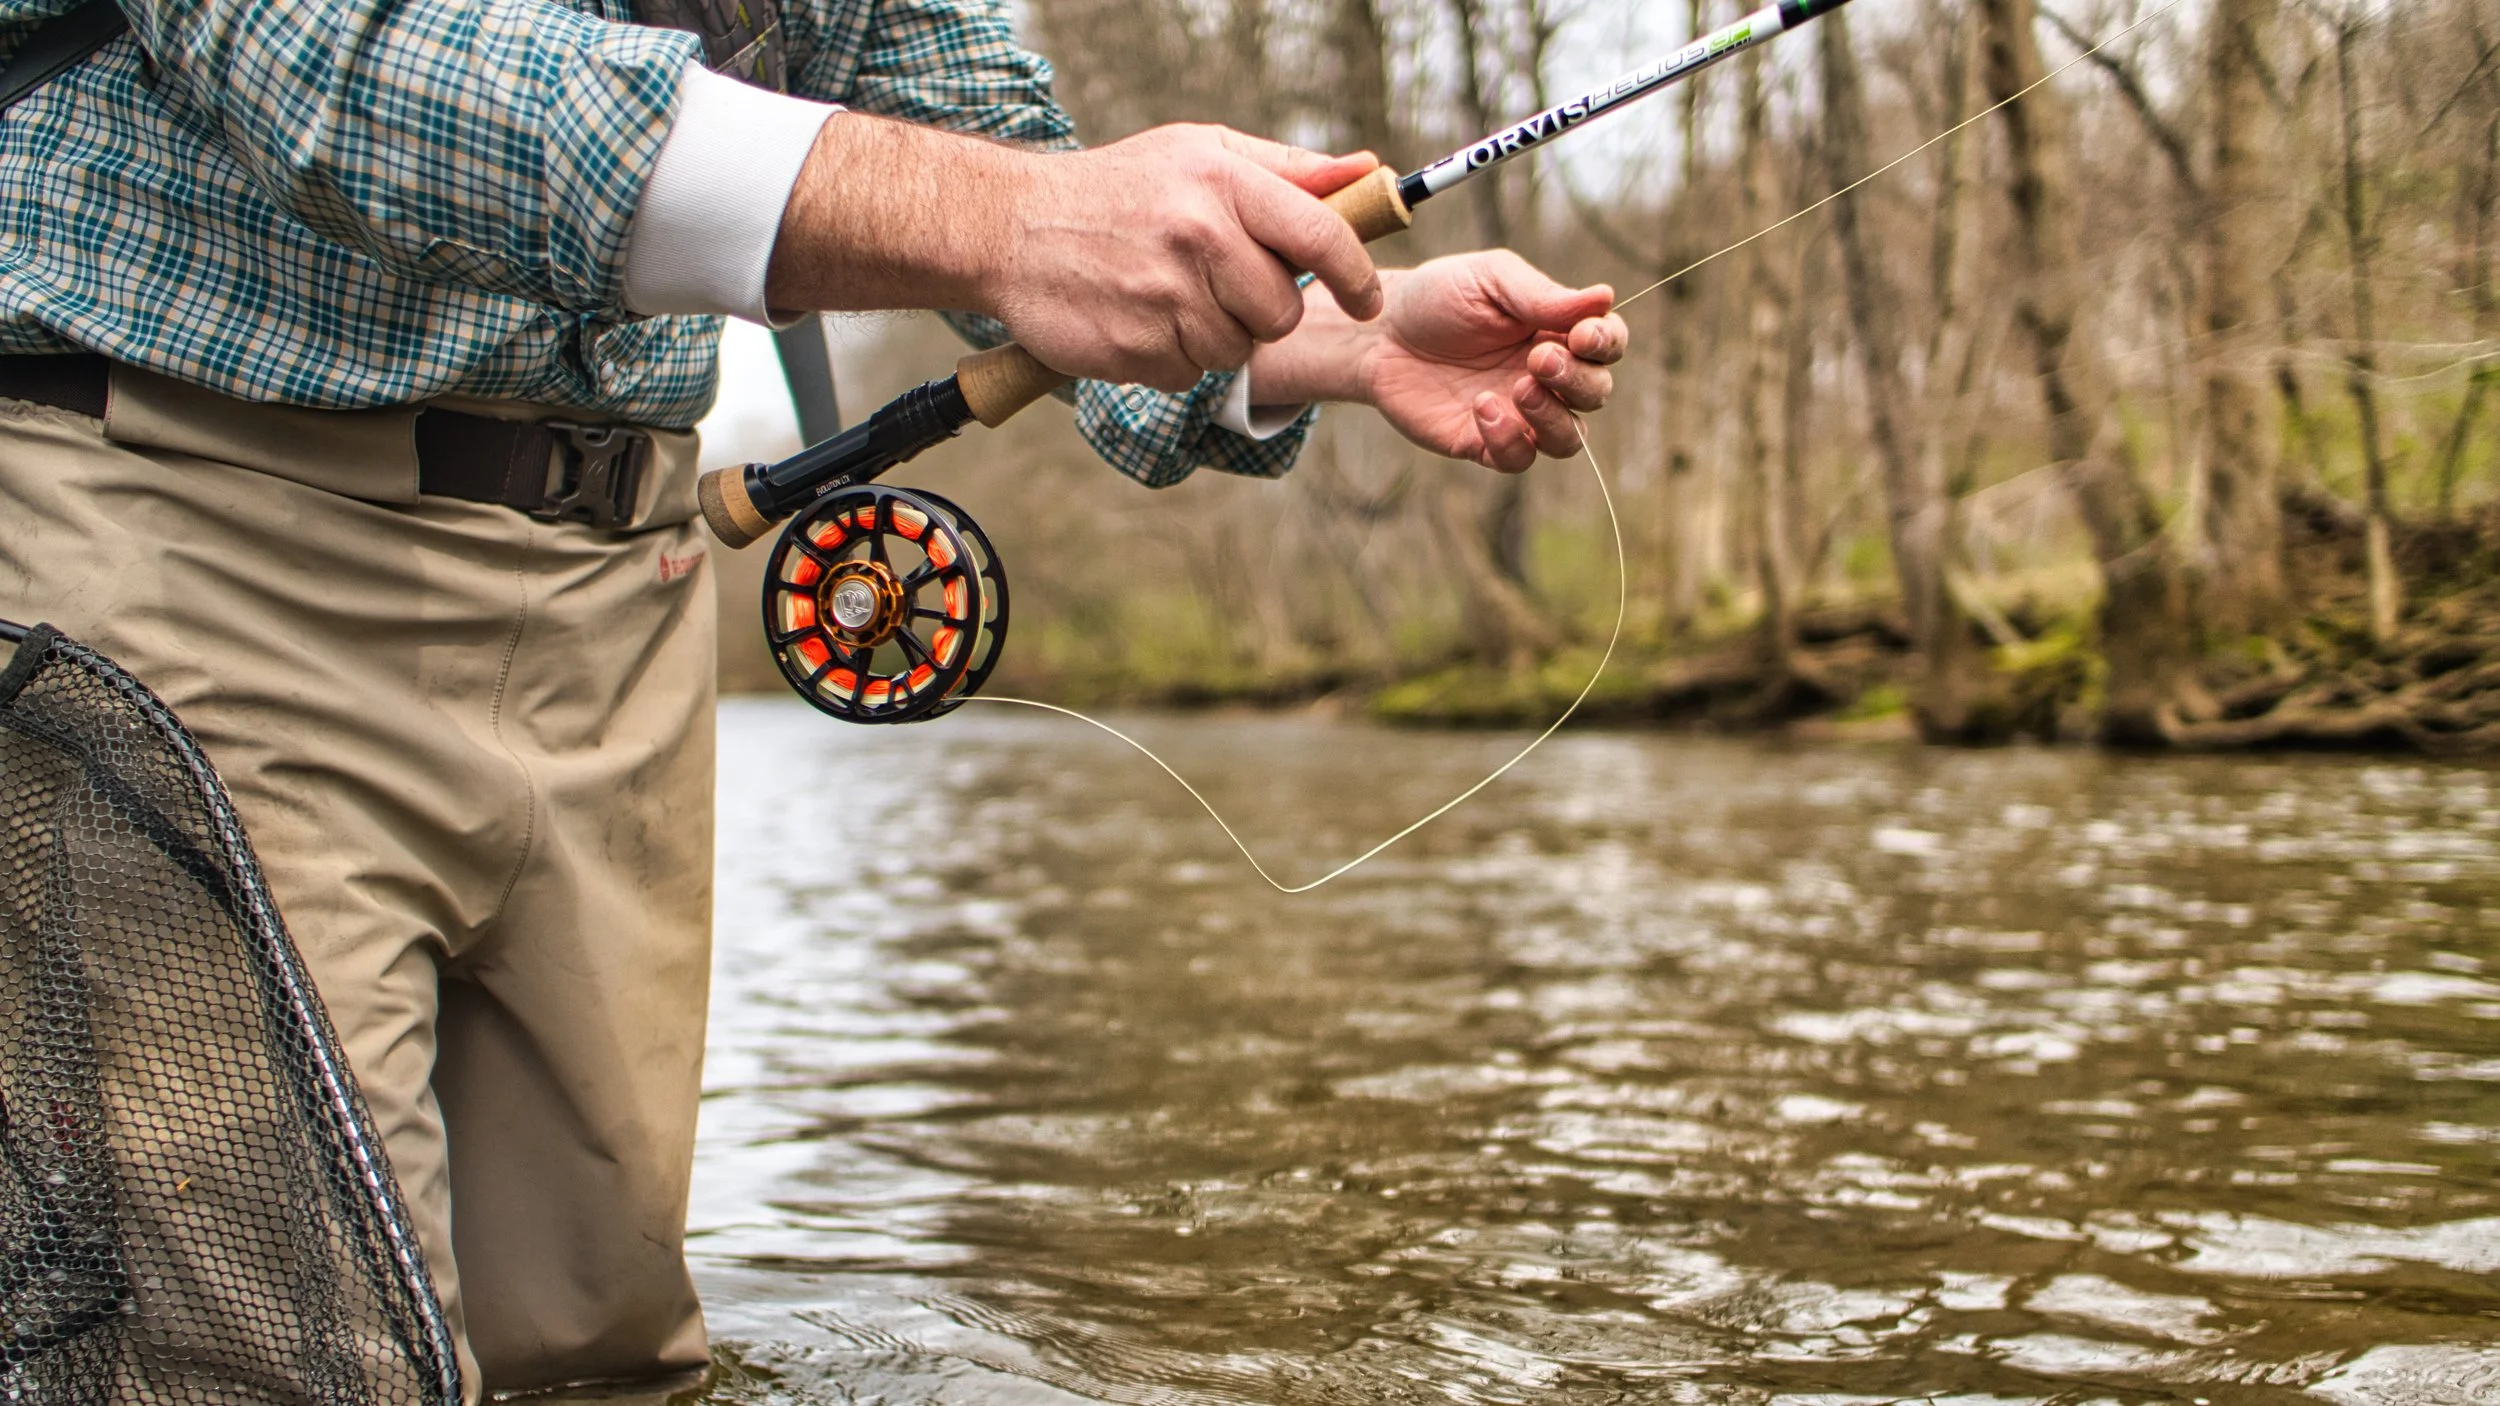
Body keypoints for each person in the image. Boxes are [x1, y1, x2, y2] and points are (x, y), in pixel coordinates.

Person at [0, 0, 1628, 1397]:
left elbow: (1004, 169)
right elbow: (337, 66)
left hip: (605, 585)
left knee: (596, 1344)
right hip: (181, 513)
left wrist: (1331, 328)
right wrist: (1007, 219)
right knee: (263, 1340)